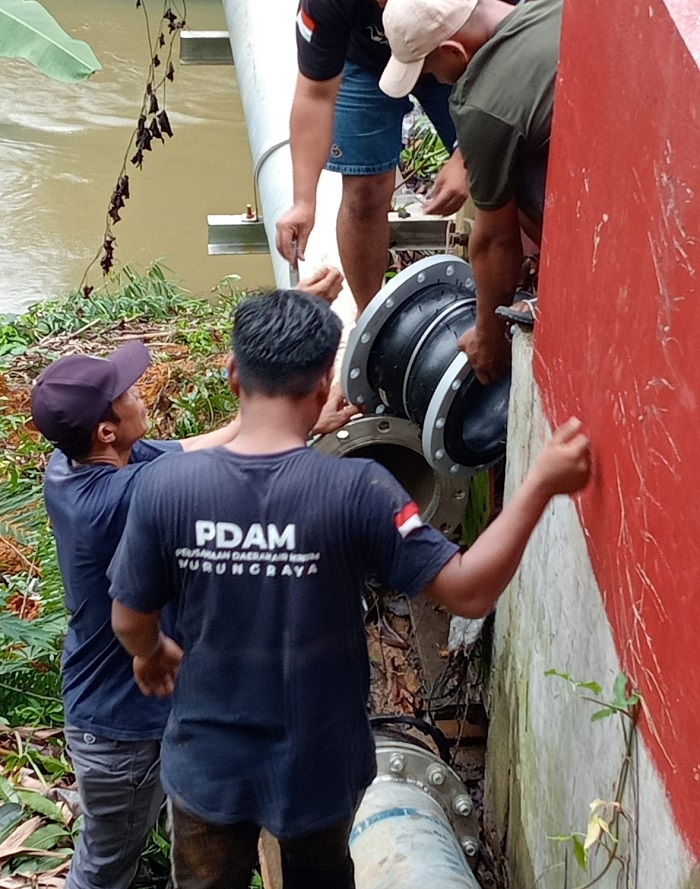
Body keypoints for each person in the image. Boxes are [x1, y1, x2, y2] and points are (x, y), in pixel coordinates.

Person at [108, 288, 590, 889]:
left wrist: (151, 652)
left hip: (208, 764)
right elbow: (469, 593)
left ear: (233, 374)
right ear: (320, 391)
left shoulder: (165, 487)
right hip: (319, 765)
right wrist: (539, 484)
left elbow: (128, 618)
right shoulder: (358, 490)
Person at [28, 270, 353, 889]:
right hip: (118, 726)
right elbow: (231, 466)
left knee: (165, 843)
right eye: (125, 392)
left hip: (148, 704)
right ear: (105, 429)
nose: (139, 391)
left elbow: (219, 441)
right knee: (104, 867)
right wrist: (301, 419)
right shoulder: (116, 498)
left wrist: (278, 359)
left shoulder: (86, 461)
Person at [379, 0, 562, 383]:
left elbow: (495, 242)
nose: (434, 80)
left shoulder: (479, 105)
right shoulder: (551, 7)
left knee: (504, 180)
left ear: (452, 51)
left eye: (428, 70)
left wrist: (488, 335)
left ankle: (568, 279)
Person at [275, 0, 471, 314]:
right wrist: (303, 201)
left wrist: (468, 155)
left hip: (458, 45)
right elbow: (315, 95)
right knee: (364, 193)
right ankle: (373, 319)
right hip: (365, 61)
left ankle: (513, 297)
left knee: (499, 175)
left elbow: (509, 72)